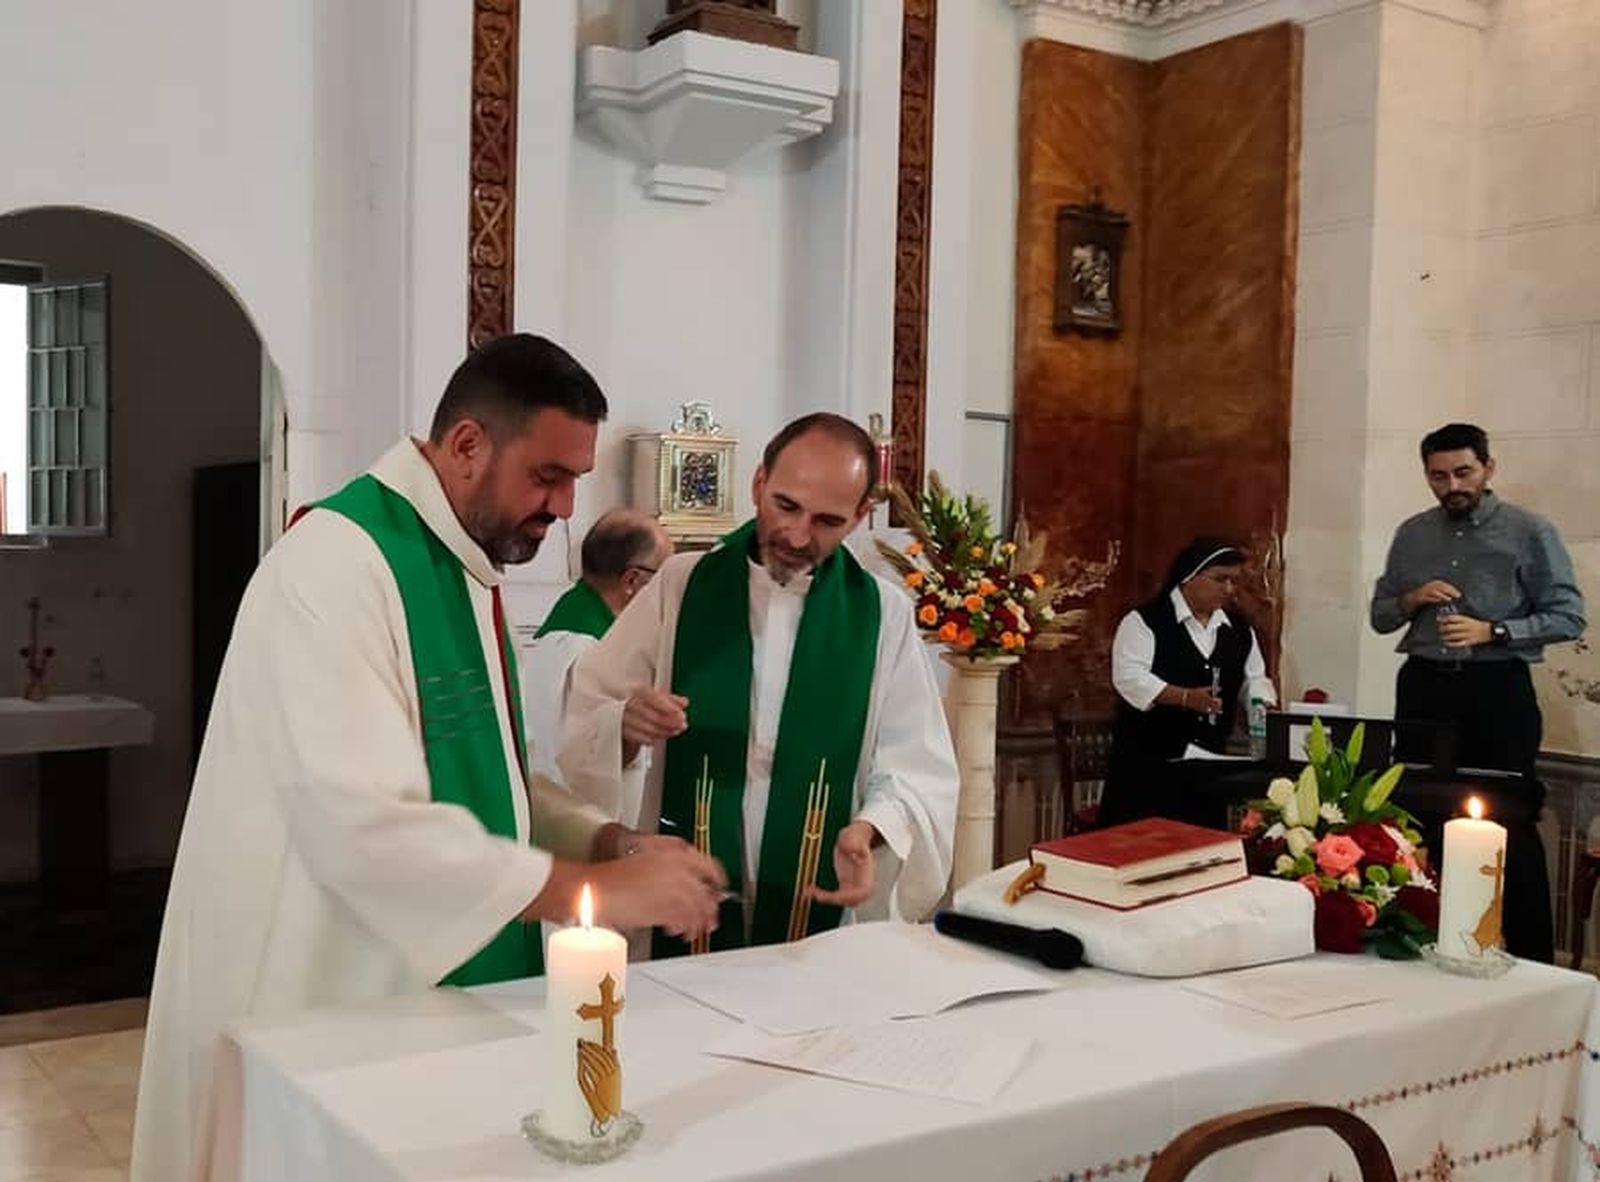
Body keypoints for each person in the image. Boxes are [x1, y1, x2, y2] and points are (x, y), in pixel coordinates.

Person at [130, 335, 726, 1182]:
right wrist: (588, 892)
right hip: (326, 984)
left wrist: (606, 842)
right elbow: (362, 820)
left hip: (426, 995)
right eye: (548, 476)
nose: (564, 508)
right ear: (469, 444)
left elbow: (495, 777)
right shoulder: (336, 563)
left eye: (574, 483)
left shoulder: (463, 568)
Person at [558, 412, 959, 955]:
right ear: (758, 482)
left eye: (827, 521)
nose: (796, 535)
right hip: (686, 902)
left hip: (816, 917)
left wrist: (870, 829)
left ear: (862, 515)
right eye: (785, 506)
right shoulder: (682, 585)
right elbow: (586, 711)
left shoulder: (881, 615)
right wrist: (625, 725)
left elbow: (917, 769)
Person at [1371, 421, 1585, 962]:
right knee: (1418, 814)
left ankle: (1533, 960)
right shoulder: (1412, 533)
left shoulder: (1530, 530)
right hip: (1422, 687)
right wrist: (1412, 598)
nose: (1451, 486)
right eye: (1438, 476)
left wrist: (1496, 631)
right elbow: (1379, 616)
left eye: (1463, 472)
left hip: (1496, 690)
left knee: (1509, 819)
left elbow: (1569, 615)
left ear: (1488, 468)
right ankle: (1424, 944)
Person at [1100, 537, 1276, 827]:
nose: (1229, 590)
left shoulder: (1239, 630)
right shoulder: (1145, 621)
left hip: (1207, 769)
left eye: (1233, 582)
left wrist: (1262, 703)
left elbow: (1253, 678)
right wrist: (1183, 697)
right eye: (1220, 579)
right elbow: (1129, 677)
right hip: (1149, 768)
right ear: (1189, 578)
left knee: (1201, 851)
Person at [522, 509, 674, 808]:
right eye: (665, 577)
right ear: (632, 580)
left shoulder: (563, 629)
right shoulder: (586, 652)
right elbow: (581, 762)